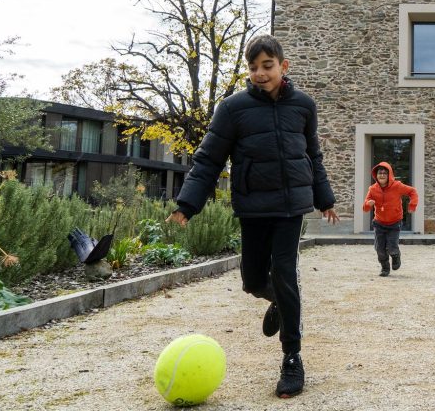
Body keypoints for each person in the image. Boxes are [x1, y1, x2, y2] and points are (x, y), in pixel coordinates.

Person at [167, 34, 339, 399]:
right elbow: (209, 159)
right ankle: (276, 298)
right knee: (251, 279)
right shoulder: (232, 109)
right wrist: (188, 204)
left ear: (283, 66)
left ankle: (292, 358)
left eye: (267, 66)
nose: (260, 73)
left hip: (292, 207)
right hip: (253, 207)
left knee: (285, 272)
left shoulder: (304, 106)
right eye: (253, 67)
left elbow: (313, 156)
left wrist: (324, 198)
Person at [362, 162, 418, 277]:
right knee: (379, 249)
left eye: (384, 173)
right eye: (379, 173)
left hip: (394, 223)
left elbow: (412, 192)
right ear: (375, 175)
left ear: (389, 175)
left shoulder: (397, 186)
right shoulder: (372, 189)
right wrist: (368, 204)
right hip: (379, 223)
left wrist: (412, 205)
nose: (382, 175)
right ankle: (385, 268)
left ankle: (396, 256)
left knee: (392, 247)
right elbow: (365, 208)